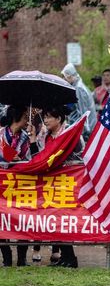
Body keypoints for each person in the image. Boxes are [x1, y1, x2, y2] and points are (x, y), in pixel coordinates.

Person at [27, 105, 84, 267]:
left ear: (59, 119)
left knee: (64, 220)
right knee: (57, 221)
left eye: (48, 117)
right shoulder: (46, 137)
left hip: (68, 183)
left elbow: (80, 157)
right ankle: (67, 258)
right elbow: (39, 160)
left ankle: (71, 259)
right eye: (44, 117)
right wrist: (32, 139)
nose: (45, 121)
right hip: (52, 184)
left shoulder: (71, 135)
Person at [0, 105, 30, 266]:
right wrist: (10, 158)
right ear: (16, 117)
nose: (27, 120)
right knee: (1, 220)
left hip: (21, 185)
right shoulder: (0, 135)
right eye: (25, 116)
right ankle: (7, 258)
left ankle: (22, 259)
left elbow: (30, 159)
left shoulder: (26, 137)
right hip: (2, 186)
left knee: (23, 220)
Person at [61, 63, 97, 140]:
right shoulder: (77, 87)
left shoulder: (79, 89)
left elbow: (83, 113)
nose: (64, 79)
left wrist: (85, 134)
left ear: (70, 76)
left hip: (87, 132)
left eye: (64, 77)